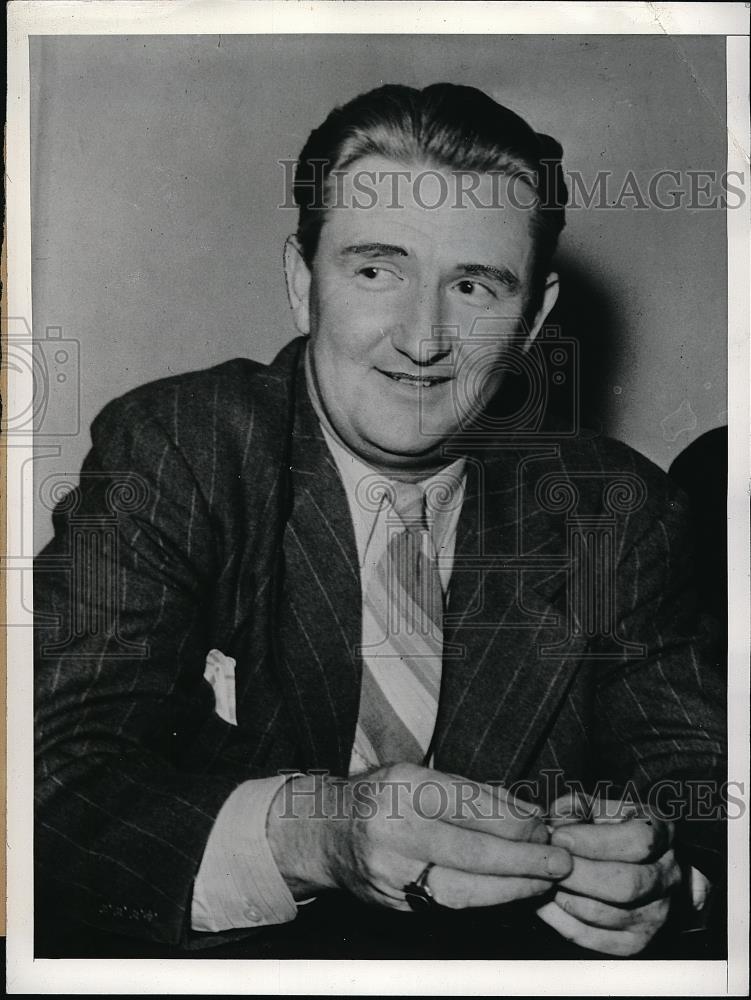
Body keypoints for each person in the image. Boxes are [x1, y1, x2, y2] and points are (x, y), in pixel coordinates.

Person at [34, 83, 726, 960]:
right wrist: (312, 836)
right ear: (301, 281)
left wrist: (667, 873)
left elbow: (707, 786)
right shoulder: (179, 450)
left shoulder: (610, 513)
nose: (423, 338)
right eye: (375, 269)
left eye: (473, 285)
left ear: (532, 320)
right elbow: (43, 778)